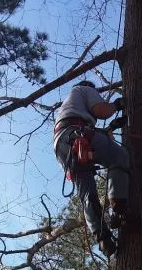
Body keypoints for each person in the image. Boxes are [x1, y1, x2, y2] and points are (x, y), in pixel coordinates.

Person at [53, 80, 130, 257]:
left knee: (87, 191)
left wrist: (111, 127)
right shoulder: (84, 89)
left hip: (62, 146)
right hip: (76, 133)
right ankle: (119, 208)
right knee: (119, 156)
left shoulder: (69, 105)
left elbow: (94, 132)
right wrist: (117, 105)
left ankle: (103, 238)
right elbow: (100, 111)